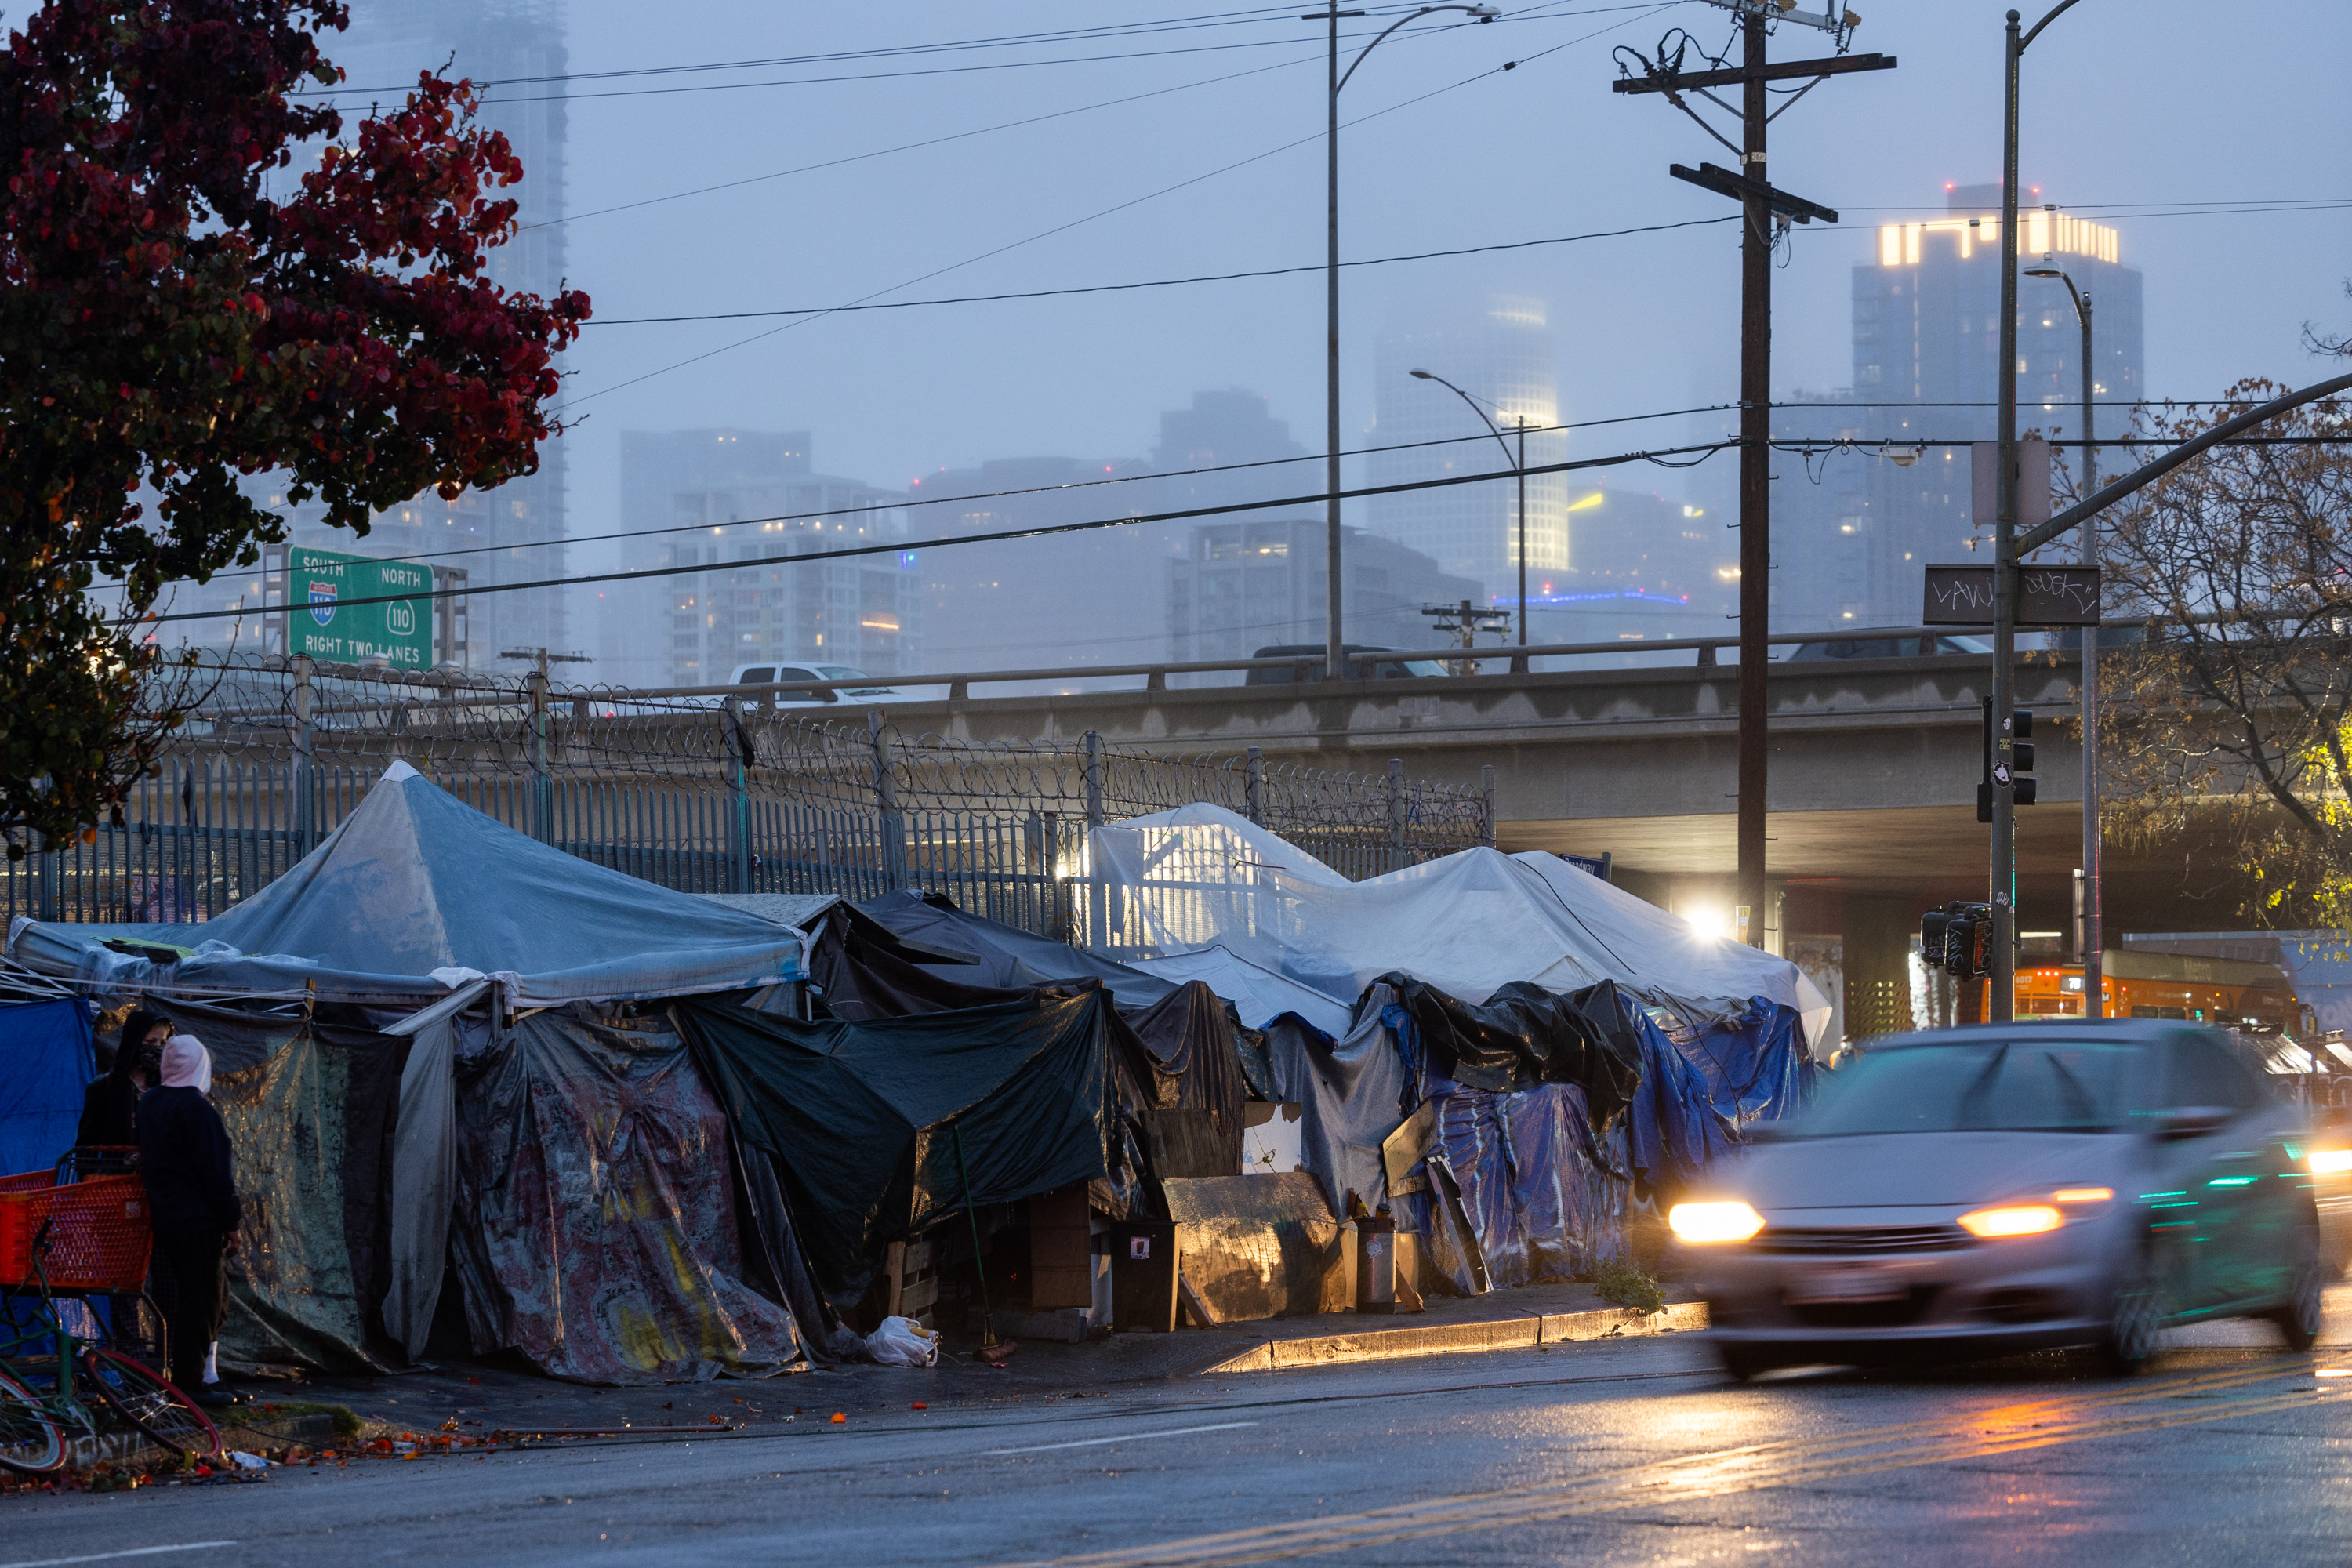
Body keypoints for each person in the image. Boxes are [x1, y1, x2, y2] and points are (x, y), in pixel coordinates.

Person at [137, 1035, 241, 1405]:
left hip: (164, 1217)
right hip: (198, 1219)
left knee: (193, 1298)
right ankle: (191, 1382)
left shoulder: (150, 1103)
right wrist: (232, 1222)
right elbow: (215, 1172)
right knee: (204, 1300)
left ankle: (206, 1376)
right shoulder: (196, 1109)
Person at [77, 1008, 169, 1150]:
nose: (157, 1048)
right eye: (151, 1041)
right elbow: (87, 1143)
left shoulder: (166, 1087)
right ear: (135, 1042)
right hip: (117, 1168)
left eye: (163, 1043)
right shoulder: (104, 1086)